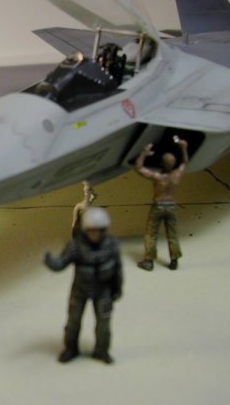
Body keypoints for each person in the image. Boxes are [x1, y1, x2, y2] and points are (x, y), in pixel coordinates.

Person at [44, 207, 123, 364]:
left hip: (103, 291)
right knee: (73, 322)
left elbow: (117, 269)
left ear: (104, 230)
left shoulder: (112, 246)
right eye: (91, 231)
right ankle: (70, 349)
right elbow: (61, 264)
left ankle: (102, 351)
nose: (94, 234)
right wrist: (50, 261)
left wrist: (117, 289)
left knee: (103, 326)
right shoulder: (76, 246)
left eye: (98, 231)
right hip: (80, 291)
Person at [135, 138, 189, 271]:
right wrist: (183, 148)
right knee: (172, 234)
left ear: (161, 163)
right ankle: (174, 260)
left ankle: (149, 261)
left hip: (158, 205)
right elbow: (185, 163)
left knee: (151, 233)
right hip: (172, 206)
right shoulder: (177, 174)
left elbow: (139, 167)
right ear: (174, 163)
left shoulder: (157, 177)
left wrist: (144, 153)